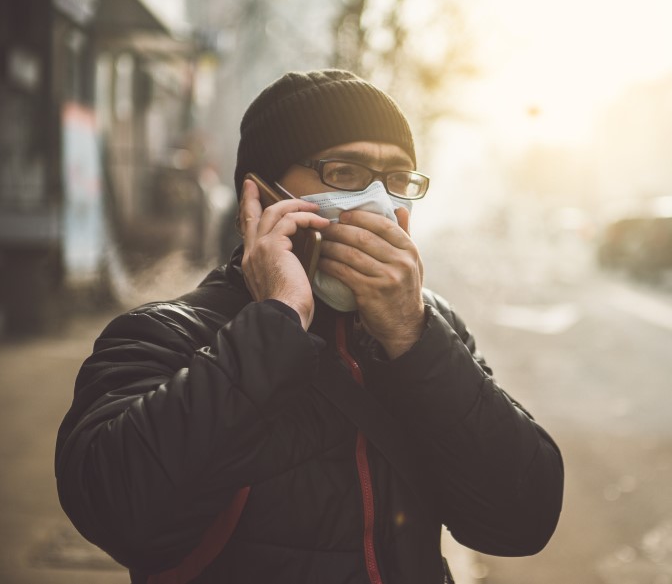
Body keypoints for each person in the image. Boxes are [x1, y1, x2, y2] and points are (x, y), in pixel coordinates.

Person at [55, 69, 564, 584]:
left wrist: (412, 335)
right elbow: (121, 517)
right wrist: (278, 321)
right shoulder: (165, 334)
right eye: (345, 172)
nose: (379, 203)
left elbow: (521, 521)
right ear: (260, 198)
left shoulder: (424, 326)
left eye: (396, 180)